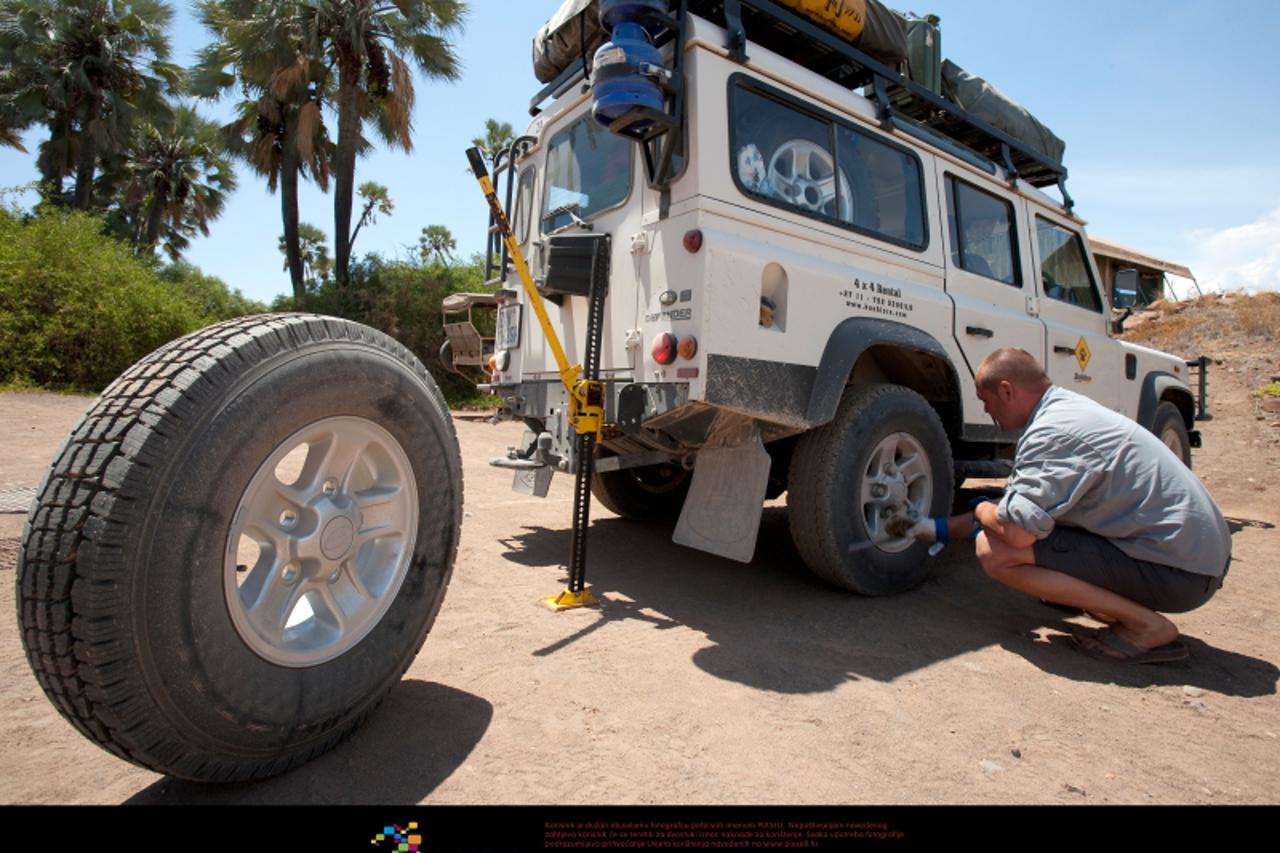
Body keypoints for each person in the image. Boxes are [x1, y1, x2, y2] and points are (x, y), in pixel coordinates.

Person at [898, 348, 1231, 664]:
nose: (986, 410)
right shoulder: (1066, 411)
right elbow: (1019, 509)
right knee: (1012, 523)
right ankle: (1110, 603)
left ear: (1007, 390)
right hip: (1190, 557)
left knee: (995, 550)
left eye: (985, 401)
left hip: (1180, 573)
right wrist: (935, 529)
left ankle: (1146, 627)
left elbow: (1014, 531)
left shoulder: (1053, 433)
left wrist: (983, 507)